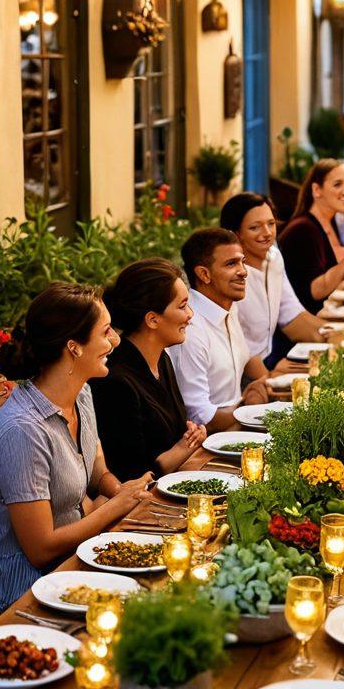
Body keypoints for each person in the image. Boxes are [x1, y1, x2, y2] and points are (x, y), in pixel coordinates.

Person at [0, 283, 153, 614]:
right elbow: (41, 548)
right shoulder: (24, 429)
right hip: (27, 601)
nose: (115, 341)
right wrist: (114, 508)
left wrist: (124, 493)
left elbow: (97, 469)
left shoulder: (81, 392)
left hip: (77, 566)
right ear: (73, 347)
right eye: (105, 332)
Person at [90, 259, 207, 481]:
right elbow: (129, 474)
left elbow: (176, 432)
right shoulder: (115, 381)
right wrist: (183, 448)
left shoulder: (162, 358)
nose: (190, 314)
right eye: (182, 306)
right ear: (152, 319)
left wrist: (191, 436)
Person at [169, 227, 271, 430]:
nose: (243, 271)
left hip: (239, 425)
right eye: (231, 264)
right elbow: (201, 417)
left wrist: (264, 384)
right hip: (211, 442)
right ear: (204, 274)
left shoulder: (229, 306)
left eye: (242, 261)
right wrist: (249, 407)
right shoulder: (190, 328)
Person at [219, 193, 325, 366]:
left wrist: (336, 334)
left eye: (271, 223)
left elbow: (292, 315)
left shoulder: (274, 257)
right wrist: (269, 378)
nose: (267, 233)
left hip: (270, 360)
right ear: (235, 234)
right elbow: (240, 349)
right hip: (241, 372)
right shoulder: (230, 278)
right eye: (255, 227)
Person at [278, 160, 344, 313]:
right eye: (337, 185)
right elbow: (317, 291)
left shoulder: (331, 221)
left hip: (333, 312)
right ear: (317, 190)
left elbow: (338, 274)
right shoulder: (303, 229)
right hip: (310, 321)